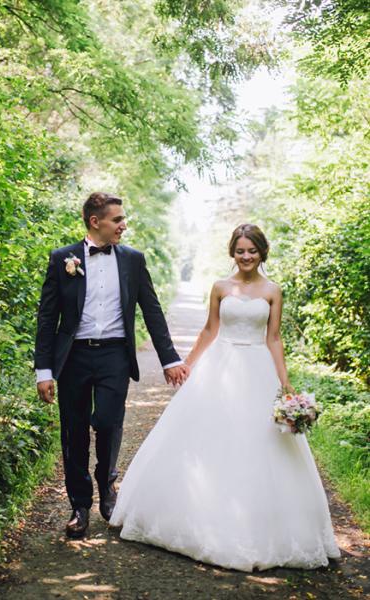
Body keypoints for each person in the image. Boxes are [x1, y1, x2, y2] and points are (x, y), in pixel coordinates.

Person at [109, 223, 341, 571]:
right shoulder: (220, 287)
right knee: (206, 437)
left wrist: (285, 381)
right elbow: (209, 329)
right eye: (240, 250)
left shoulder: (273, 290)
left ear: (262, 252)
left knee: (260, 442)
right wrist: (187, 363)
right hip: (220, 364)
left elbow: (274, 338)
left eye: (252, 250)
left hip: (257, 368)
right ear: (232, 252)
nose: (246, 257)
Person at [35, 192, 189, 539]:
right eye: (117, 219)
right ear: (95, 222)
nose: (124, 224)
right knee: (74, 431)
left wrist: (170, 358)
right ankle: (79, 506)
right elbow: (47, 318)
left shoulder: (133, 260)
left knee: (107, 422)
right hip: (73, 357)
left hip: (114, 356)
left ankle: (107, 488)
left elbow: (151, 309)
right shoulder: (63, 259)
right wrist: (44, 370)